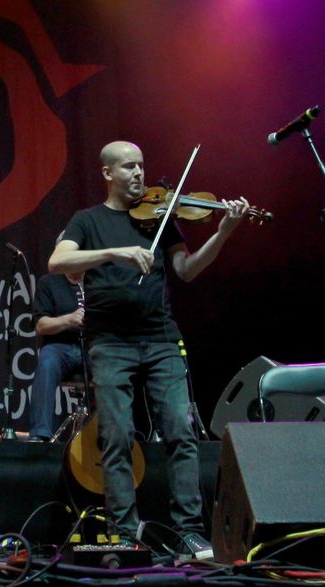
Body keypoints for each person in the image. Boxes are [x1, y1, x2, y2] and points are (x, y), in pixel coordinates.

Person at [48, 141, 250, 561]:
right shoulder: (87, 221)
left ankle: (190, 532)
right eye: (128, 167)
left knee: (180, 430)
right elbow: (58, 263)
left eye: (142, 165)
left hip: (160, 339)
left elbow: (187, 270)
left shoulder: (162, 219)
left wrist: (224, 231)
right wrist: (114, 253)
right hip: (109, 342)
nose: (139, 174)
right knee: (116, 437)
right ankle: (124, 532)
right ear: (108, 174)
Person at [27, 270, 85, 441]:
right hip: (60, 347)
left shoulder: (95, 281)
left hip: (91, 347)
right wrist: (69, 320)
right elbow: (41, 325)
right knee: (47, 362)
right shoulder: (49, 283)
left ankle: (115, 433)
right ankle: (40, 433)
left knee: (113, 361)